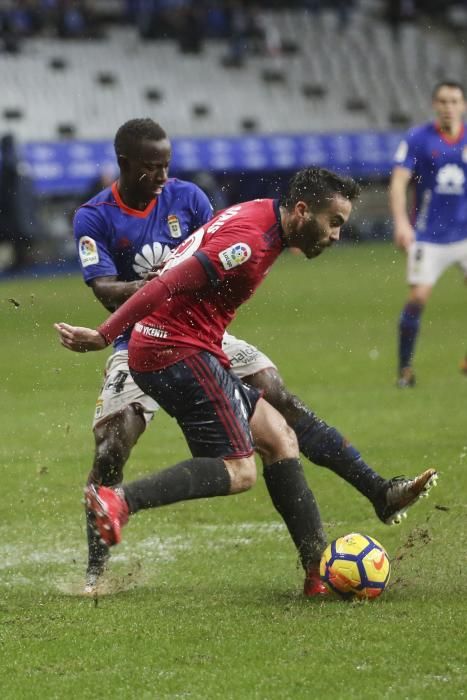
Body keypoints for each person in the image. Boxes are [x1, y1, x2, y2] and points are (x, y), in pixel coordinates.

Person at [58, 167, 438, 597]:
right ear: (300, 211)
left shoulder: (264, 218)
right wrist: (105, 335)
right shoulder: (249, 244)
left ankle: (318, 575)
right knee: (239, 471)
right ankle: (121, 501)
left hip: (192, 345)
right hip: (174, 349)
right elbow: (165, 285)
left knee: (280, 437)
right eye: (333, 222)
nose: (335, 235)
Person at [390, 79, 467, 387]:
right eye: (443, 101)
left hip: (465, 233)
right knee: (418, 297)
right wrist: (400, 223)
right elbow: (398, 182)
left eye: (454, 101)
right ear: (435, 105)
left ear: (463, 105)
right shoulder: (419, 139)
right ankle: (405, 370)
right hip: (429, 234)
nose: (449, 107)